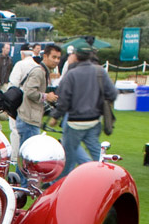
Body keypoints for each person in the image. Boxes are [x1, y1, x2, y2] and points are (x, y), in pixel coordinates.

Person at [48, 44, 117, 178]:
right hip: (94, 120)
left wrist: (55, 116)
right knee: (98, 153)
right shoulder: (100, 71)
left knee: (68, 156)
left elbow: (63, 100)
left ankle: (61, 185)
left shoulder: (72, 73)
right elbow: (112, 93)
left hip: (75, 122)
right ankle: (108, 176)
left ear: (76, 56)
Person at [17, 44, 60, 163]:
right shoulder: (39, 72)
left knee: (26, 157)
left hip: (29, 118)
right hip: (28, 119)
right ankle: (24, 182)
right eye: (54, 57)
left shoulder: (43, 71)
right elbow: (30, 92)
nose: (56, 61)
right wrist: (47, 96)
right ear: (45, 56)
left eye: (58, 58)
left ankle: (21, 181)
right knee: (29, 158)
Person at [7, 44, 39, 158]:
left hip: (19, 99)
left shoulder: (20, 64)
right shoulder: (37, 66)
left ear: (22, 54)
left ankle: (15, 156)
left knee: (15, 129)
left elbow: (13, 83)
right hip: (33, 101)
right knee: (30, 129)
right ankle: (28, 156)